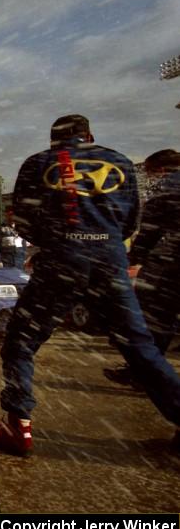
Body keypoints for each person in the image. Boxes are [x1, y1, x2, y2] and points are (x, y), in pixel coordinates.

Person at [0, 115, 180, 457]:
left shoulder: (40, 162)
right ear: (89, 135)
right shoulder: (117, 160)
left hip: (62, 259)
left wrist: (60, 243)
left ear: (53, 138)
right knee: (140, 346)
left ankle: (18, 426)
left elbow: (25, 219)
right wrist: (103, 242)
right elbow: (132, 219)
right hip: (111, 260)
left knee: (21, 339)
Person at [104, 149, 180, 389]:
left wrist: (135, 256)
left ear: (159, 170)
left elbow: (150, 227)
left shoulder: (167, 184)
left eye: (149, 173)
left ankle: (144, 372)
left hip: (172, 260)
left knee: (154, 316)